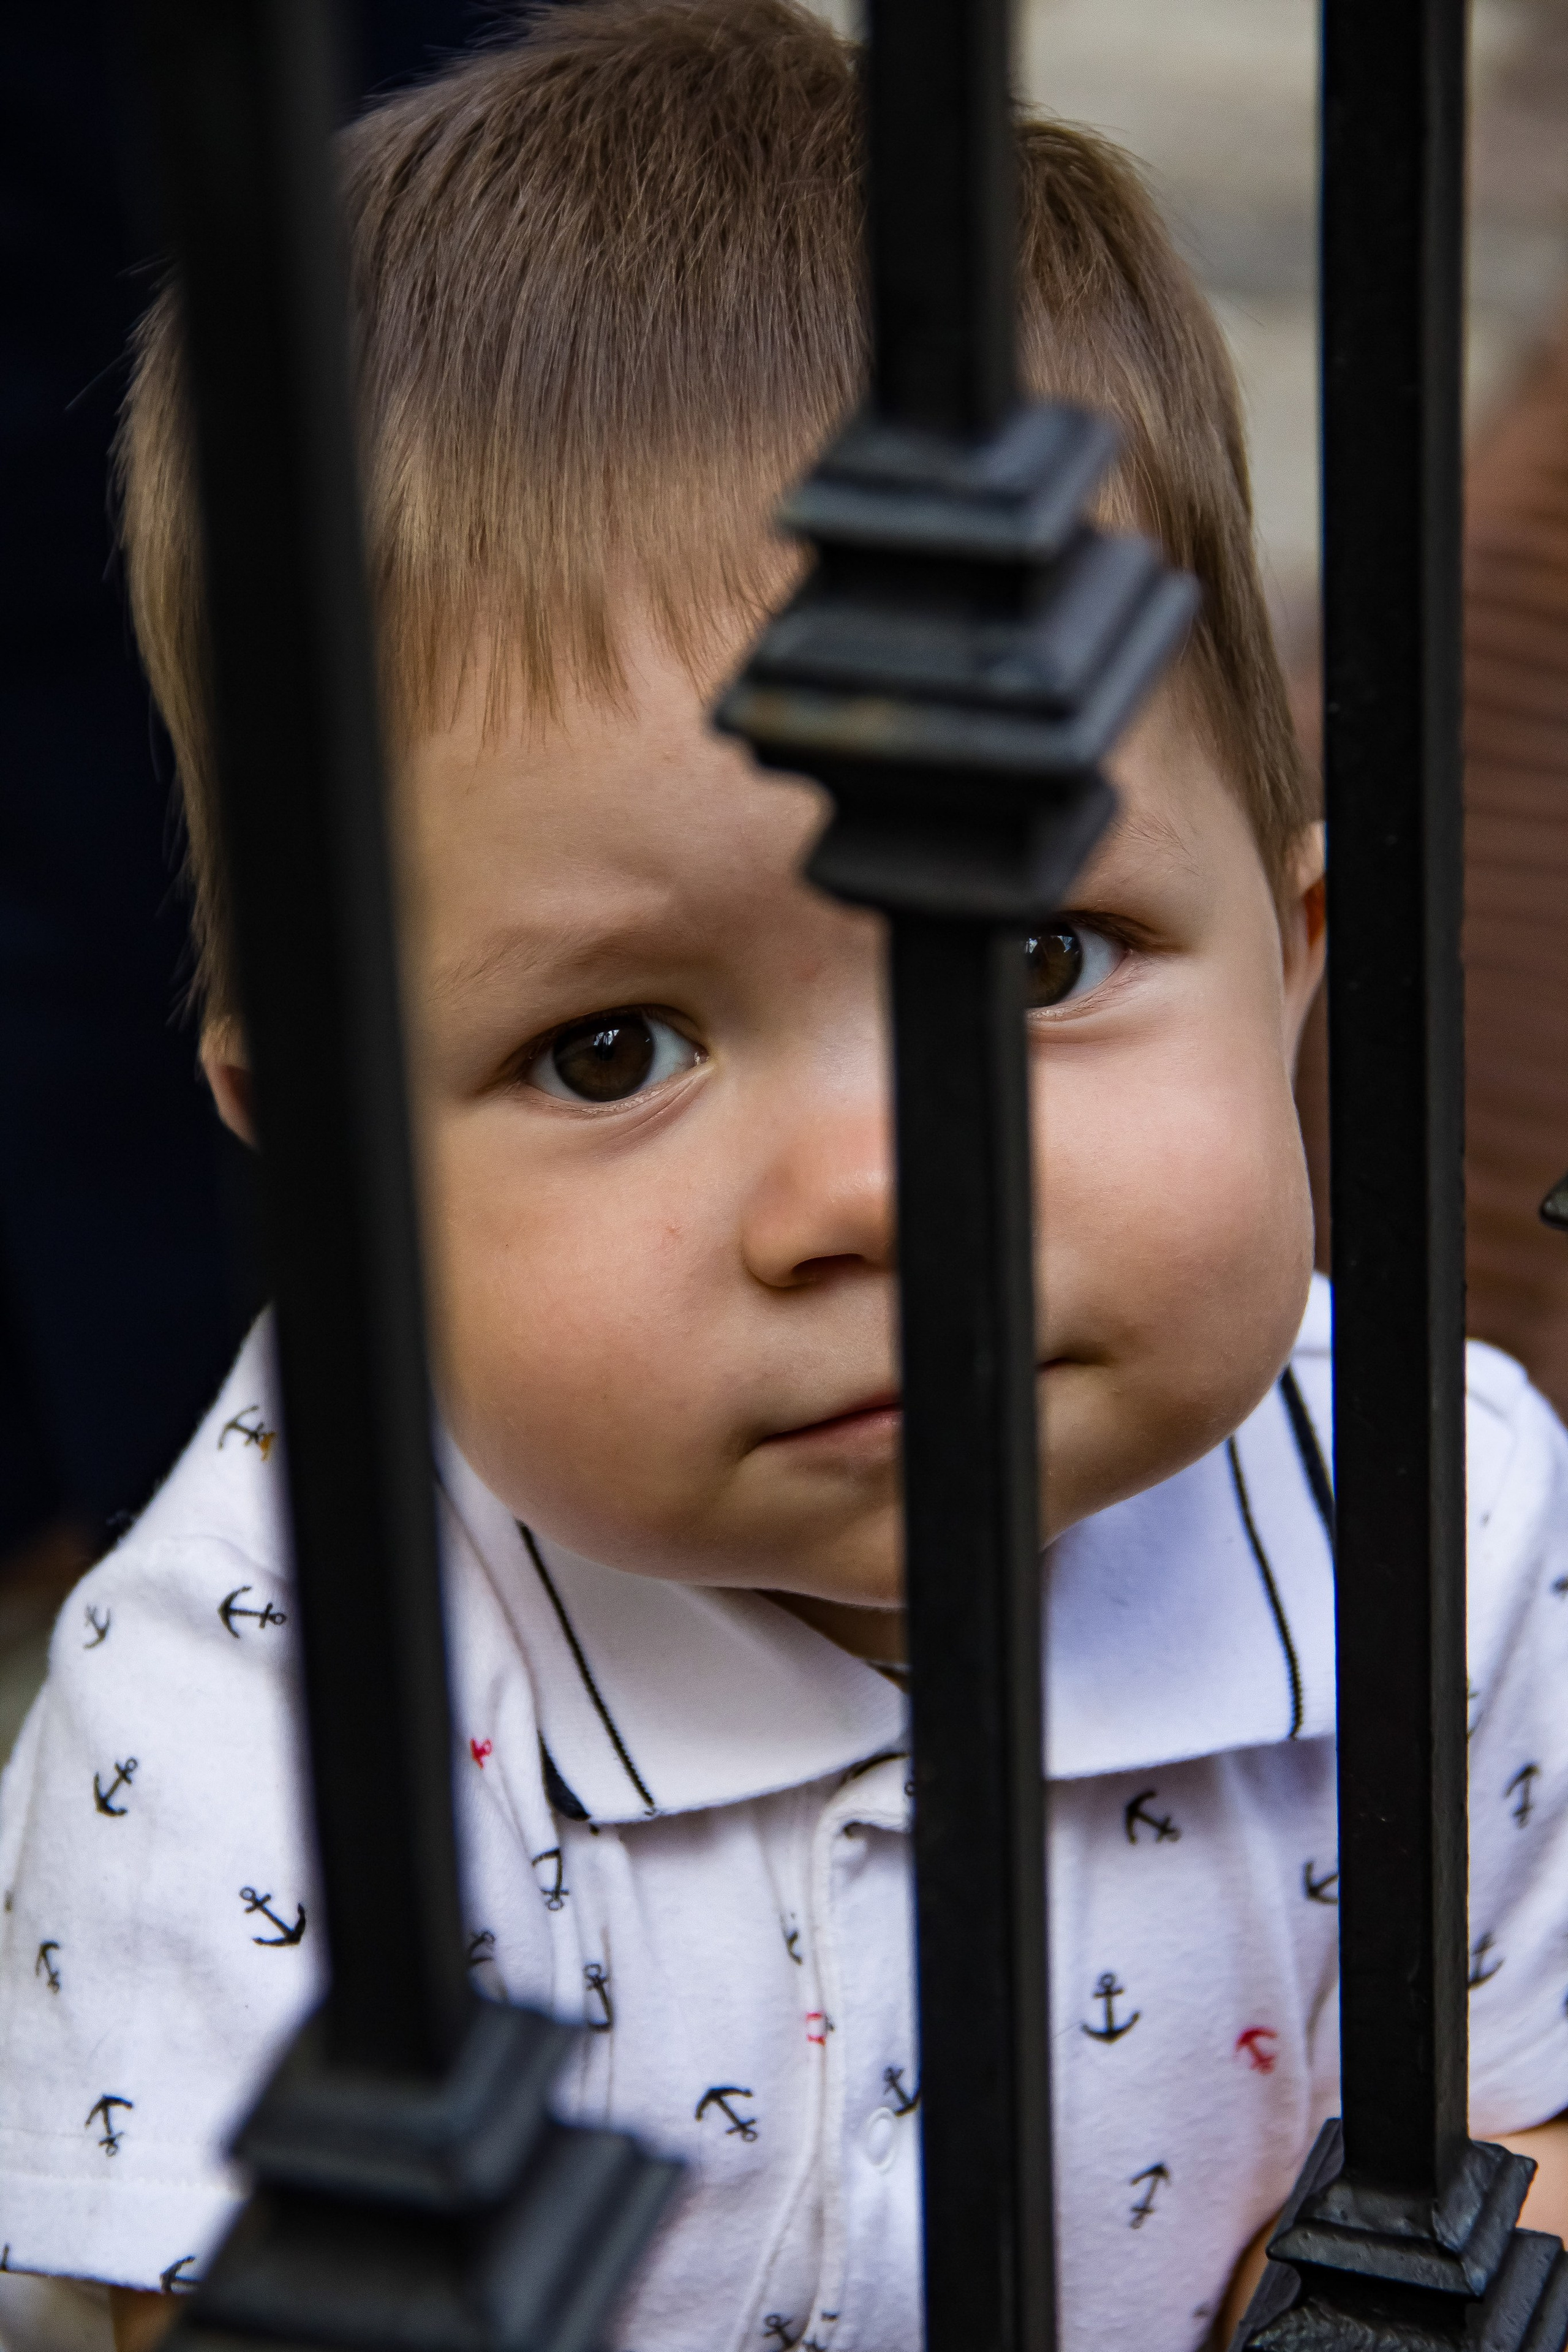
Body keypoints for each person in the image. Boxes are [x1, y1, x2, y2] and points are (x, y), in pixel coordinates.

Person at [3, 7, 1567, 2350]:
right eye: (608, 1046)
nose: (876, 1188)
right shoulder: (257, 1689)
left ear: (1298, 960)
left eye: (1043, 954)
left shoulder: (1453, 1522)